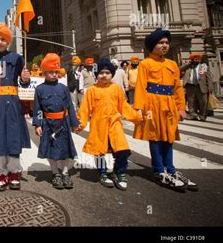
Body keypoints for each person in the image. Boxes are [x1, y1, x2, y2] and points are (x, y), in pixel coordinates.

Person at [133, 28, 198, 191]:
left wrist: (181, 107)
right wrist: (139, 109)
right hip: (152, 104)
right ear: (152, 45)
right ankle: (159, 171)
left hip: (169, 105)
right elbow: (141, 87)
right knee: (155, 137)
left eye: (167, 43)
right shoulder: (145, 64)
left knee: (169, 137)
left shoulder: (172, 64)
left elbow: (177, 87)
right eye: (161, 43)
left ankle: (171, 169)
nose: (165, 46)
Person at [77, 58, 142, 191]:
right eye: (101, 73)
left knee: (122, 149)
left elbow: (124, 106)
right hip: (98, 125)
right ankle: (103, 173)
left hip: (114, 124)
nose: (104, 75)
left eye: (107, 72)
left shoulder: (116, 89)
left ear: (112, 74)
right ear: (97, 75)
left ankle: (120, 172)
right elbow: (84, 109)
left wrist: (136, 117)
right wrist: (81, 124)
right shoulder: (92, 90)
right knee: (99, 151)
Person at [0, 23, 31, 191]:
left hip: (12, 104)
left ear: (8, 41)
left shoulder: (17, 58)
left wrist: (25, 78)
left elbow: (24, 83)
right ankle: (1, 173)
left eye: (3, 39)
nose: (0, 42)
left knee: (13, 138)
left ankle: (14, 172)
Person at [33, 53, 79, 189]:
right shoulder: (39, 89)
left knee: (65, 149)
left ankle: (65, 173)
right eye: (50, 72)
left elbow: (70, 106)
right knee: (50, 149)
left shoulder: (63, 88)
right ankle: (55, 173)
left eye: (56, 72)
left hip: (63, 123)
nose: (54, 74)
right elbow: (37, 109)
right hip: (48, 124)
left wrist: (74, 123)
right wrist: (37, 124)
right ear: (44, 72)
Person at [181, 53, 212, 121]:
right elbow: (180, 69)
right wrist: (188, 64)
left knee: (203, 101)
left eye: (197, 58)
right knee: (191, 101)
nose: (196, 59)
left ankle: (202, 115)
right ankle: (193, 114)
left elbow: (208, 77)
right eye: (194, 58)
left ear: (200, 59)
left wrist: (210, 87)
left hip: (201, 86)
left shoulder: (203, 66)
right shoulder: (188, 66)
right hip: (190, 86)